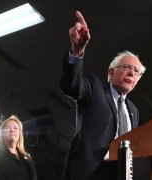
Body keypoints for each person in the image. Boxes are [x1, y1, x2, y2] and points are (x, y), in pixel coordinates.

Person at [59, 11, 146, 180]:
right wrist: (77, 52)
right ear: (111, 72)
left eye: (136, 71)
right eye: (126, 67)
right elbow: (71, 86)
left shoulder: (134, 111)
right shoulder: (94, 88)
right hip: (90, 172)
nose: (131, 73)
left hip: (122, 174)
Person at [0, 115, 37, 180]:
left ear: (19, 134)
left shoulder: (27, 158)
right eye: (8, 128)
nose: (12, 130)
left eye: (15, 128)